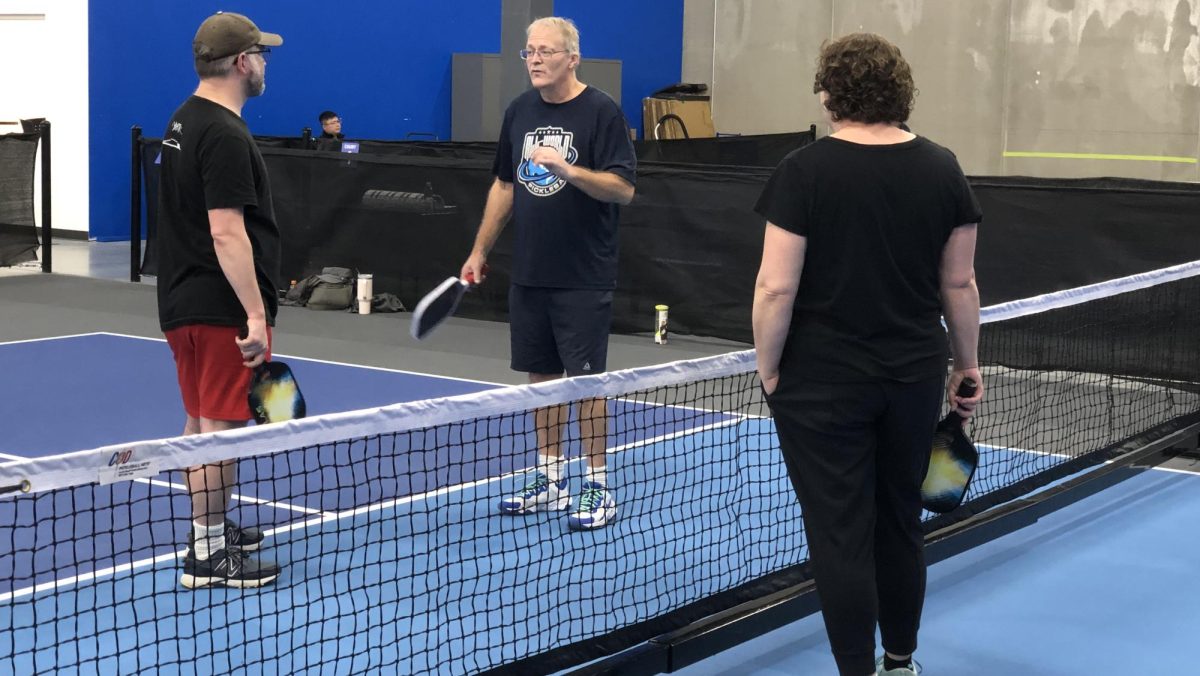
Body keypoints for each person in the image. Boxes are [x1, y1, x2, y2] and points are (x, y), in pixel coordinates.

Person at [751, 34, 984, 676]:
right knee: (899, 523)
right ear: (899, 91)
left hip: (819, 383)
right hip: (911, 376)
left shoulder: (803, 171)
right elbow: (958, 283)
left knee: (839, 534)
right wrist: (968, 365)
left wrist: (769, 367)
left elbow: (775, 287)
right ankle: (900, 663)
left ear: (830, 94)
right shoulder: (943, 167)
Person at [460, 16, 636, 530]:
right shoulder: (519, 112)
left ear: (572, 58)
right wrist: (479, 250)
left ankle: (598, 485)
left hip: (584, 275)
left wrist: (567, 170)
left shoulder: (602, 112)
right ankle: (551, 475)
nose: (534, 60)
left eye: (545, 51)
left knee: (585, 382)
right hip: (530, 273)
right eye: (528, 52)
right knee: (541, 380)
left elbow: (623, 189)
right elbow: (504, 186)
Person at [156, 11, 284, 589]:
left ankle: (208, 528)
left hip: (183, 301)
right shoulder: (226, 134)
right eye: (261, 54)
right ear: (241, 63)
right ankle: (207, 553)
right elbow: (226, 231)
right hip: (218, 309)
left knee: (199, 420)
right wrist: (255, 312)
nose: (264, 63)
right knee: (223, 428)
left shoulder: (185, 119)